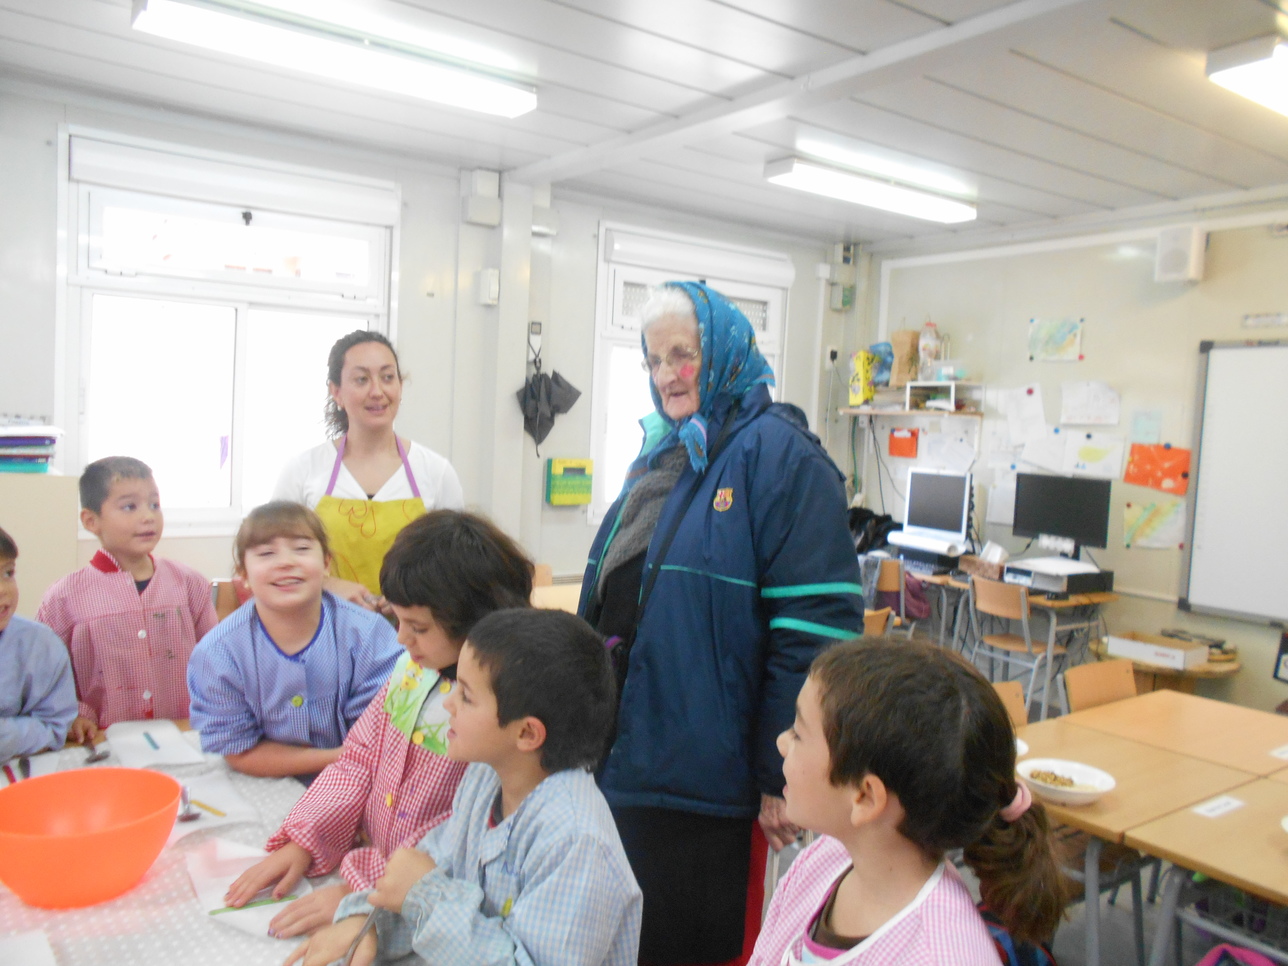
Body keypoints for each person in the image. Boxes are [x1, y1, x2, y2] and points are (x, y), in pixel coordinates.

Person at [579, 282, 864, 964]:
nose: (667, 375)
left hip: (710, 780)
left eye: (684, 354)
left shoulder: (782, 457)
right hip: (633, 753)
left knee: (695, 947)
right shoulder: (670, 452)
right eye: (654, 360)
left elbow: (816, 631)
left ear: (726, 351)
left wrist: (779, 772)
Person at [223, 510, 534, 937]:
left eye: (418, 627)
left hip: (422, 908)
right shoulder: (413, 671)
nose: (401, 639)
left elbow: (463, 835)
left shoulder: (495, 713)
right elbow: (359, 759)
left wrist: (366, 892)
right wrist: (305, 839)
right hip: (377, 879)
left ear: (474, 622)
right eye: (397, 619)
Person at [285, 608, 642, 966]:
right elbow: (433, 867)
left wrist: (424, 897)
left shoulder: (576, 843)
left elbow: (425, 890)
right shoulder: (484, 777)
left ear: (526, 733)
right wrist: (369, 922)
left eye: (467, 696)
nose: (448, 703)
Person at [750, 638, 1067, 966]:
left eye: (799, 733)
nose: (781, 742)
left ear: (865, 797)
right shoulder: (826, 858)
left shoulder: (940, 957)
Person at [187, 501, 400, 778]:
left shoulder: (369, 635)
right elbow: (239, 751)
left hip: (364, 778)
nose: (286, 562)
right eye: (266, 553)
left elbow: (383, 732)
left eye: (301, 548)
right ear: (244, 574)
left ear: (326, 563)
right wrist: (336, 757)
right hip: (264, 783)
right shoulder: (217, 653)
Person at [273, 330, 464, 610]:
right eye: (362, 379)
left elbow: (458, 566)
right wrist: (327, 584)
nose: (377, 391)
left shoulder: (436, 472)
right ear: (336, 392)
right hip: (322, 625)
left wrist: (413, 594)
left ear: (400, 386)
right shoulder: (303, 470)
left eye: (387, 377)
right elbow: (274, 559)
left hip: (412, 632)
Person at [37, 456, 217, 743]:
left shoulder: (189, 584)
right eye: (129, 507)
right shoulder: (63, 598)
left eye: (154, 505)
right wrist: (75, 714)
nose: (148, 516)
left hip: (184, 734)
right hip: (101, 740)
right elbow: (47, 677)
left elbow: (215, 660)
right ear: (91, 521)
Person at [0, 525, 78, 760]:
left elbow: (54, 727)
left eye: (7, 573)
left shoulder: (40, 646)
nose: (3, 590)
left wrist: (6, 735)